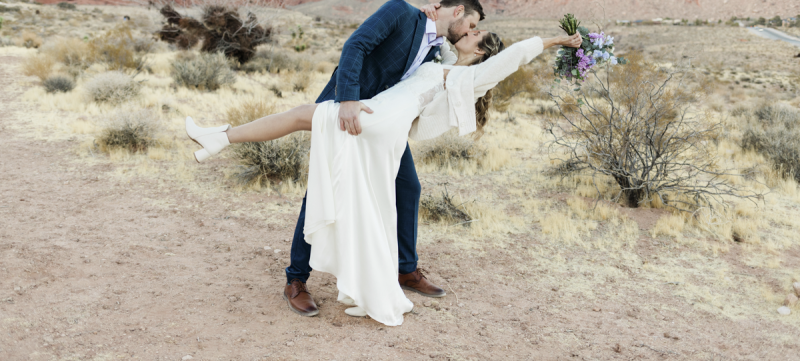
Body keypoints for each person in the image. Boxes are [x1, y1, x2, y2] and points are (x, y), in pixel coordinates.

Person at [186, 21, 582, 326]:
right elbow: (424, 38)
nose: (471, 31)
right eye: (473, 25)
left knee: (300, 117)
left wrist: (556, 41)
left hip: (376, 121)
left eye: (478, 34)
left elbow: (512, 57)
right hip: (381, 119)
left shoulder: (466, 76)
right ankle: (365, 281)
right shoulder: (441, 60)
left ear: (480, 52)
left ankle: (221, 137)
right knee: (356, 186)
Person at [191, 0, 485, 319]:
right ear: (457, 10)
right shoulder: (402, 12)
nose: (470, 30)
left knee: (408, 187)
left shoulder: (437, 48)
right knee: (322, 190)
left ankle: (405, 269)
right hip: (345, 110)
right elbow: (355, 45)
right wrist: (347, 98)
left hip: (379, 128)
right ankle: (296, 281)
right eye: (470, 23)